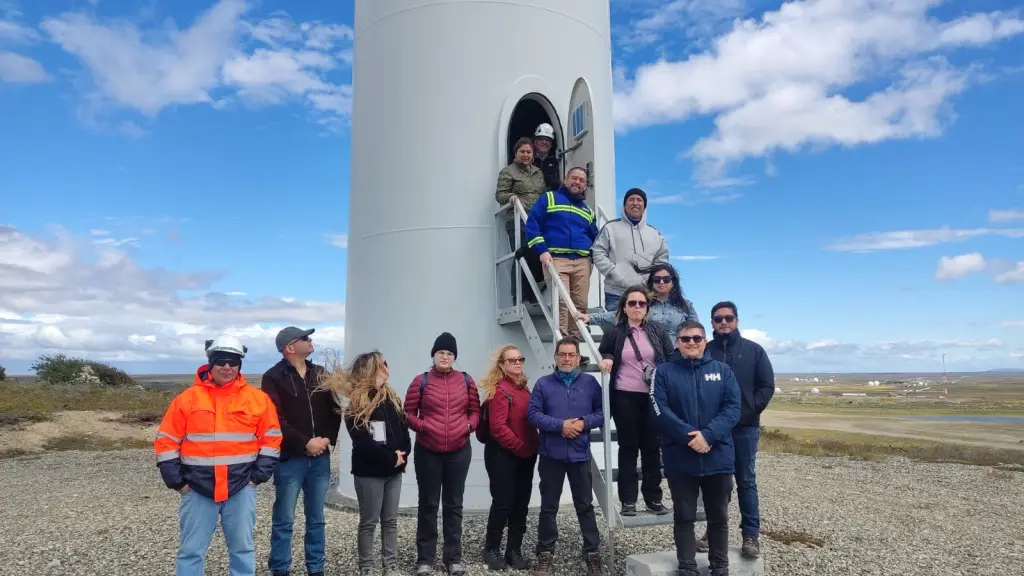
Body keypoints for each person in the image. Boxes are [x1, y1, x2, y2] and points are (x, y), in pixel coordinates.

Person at [154, 335, 282, 576]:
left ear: (239, 366)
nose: (227, 367)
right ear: (211, 364)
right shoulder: (186, 399)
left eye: (233, 362)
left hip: (241, 486)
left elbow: (271, 438)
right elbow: (166, 440)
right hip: (197, 488)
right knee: (191, 551)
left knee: (242, 550)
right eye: (221, 361)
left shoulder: (257, 399)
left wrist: (257, 477)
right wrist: (177, 482)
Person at [650, 321, 741, 576]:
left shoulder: (723, 371)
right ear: (677, 342)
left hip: (717, 457)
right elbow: (659, 409)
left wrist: (708, 436)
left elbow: (733, 408)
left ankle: (720, 567)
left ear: (704, 341)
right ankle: (687, 567)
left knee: (719, 518)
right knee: (684, 517)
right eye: (685, 339)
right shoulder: (663, 372)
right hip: (680, 457)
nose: (691, 343)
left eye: (697, 338)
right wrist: (689, 437)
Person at [696, 301, 776, 559]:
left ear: (737, 320)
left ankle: (750, 536)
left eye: (728, 318)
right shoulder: (705, 351)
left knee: (746, 481)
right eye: (718, 319)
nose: (724, 322)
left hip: (744, 428)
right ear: (712, 323)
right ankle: (713, 532)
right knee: (716, 483)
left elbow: (766, 386)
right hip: (714, 430)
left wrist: (748, 411)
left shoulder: (754, 351)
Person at [322, 350, 411, 576]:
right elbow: (363, 442)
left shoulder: (391, 398)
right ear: (371, 370)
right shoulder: (357, 403)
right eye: (383, 364)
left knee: (390, 520)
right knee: (369, 521)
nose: (387, 368)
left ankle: (390, 565)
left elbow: (403, 430)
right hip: (370, 472)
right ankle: (367, 567)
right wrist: (392, 458)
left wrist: (403, 454)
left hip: (394, 471)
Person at [261, 327, 341, 576]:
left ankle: (316, 568)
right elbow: (275, 419)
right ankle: (280, 568)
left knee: (316, 518)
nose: (310, 340)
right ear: (290, 347)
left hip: (320, 459)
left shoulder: (321, 373)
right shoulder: (273, 377)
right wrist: (305, 442)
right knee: (284, 519)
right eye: (305, 338)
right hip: (290, 460)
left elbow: (335, 409)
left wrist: (326, 439)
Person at [404, 332, 481, 576]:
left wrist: (468, 426)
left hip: (459, 450)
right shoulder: (421, 381)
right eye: (441, 352)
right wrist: (424, 427)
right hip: (428, 451)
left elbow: (475, 411)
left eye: (449, 353)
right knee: (428, 504)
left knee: (454, 505)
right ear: (433, 355)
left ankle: (453, 558)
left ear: (454, 357)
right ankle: (425, 559)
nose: (445, 357)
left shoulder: (466, 380)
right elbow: (408, 413)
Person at [527, 336, 605, 576]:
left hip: (580, 455)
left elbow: (603, 412)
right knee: (549, 506)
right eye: (562, 354)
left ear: (578, 358)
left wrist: (582, 423)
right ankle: (545, 553)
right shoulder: (543, 384)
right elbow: (533, 414)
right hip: (551, 454)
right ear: (556, 358)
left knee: (585, 505)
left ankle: (592, 552)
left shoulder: (590, 383)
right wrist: (560, 426)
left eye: (571, 355)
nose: (567, 359)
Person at [596, 285, 674, 517]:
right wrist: (607, 358)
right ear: (624, 307)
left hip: (653, 396)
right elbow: (606, 351)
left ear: (647, 307)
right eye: (632, 303)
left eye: (641, 303)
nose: (637, 307)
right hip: (625, 396)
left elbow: (669, 357)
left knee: (651, 448)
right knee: (628, 448)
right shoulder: (614, 331)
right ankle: (628, 500)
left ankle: (653, 499)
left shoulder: (657, 330)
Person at [524, 167, 599, 340]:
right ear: (566, 180)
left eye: (582, 180)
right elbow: (532, 226)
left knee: (580, 306)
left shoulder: (588, 211)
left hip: (582, 262)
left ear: (585, 186)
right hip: (556, 259)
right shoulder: (548, 198)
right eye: (574, 178)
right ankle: (564, 346)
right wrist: (542, 251)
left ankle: (574, 348)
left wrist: (592, 256)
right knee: (562, 305)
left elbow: (595, 237)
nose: (577, 182)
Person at [591, 187, 669, 311]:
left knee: (645, 325)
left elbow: (661, 260)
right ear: (624, 205)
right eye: (631, 199)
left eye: (639, 200)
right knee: (617, 324)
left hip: (646, 295)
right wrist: (613, 271)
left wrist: (652, 279)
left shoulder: (655, 234)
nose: (635, 203)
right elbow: (598, 252)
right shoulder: (610, 228)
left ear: (644, 206)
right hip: (616, 294)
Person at [495, 137, 547, 304]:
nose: (525, 155)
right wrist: (511, 197)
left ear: (533, 154)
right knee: (522, 253)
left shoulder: (538, 173)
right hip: (518, 219)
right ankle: (519, 296)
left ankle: (534, 292)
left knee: (538, 253)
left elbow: (543, 195)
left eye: (528, 152)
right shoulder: (508, 172)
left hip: (537, 220)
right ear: (516, 153)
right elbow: (500, 195)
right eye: (522, 151)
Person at [532, 122, 562, 191]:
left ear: (551, 144)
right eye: (541, 139)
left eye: (548, 140)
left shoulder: (556, 161)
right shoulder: (528, 159)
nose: (544, 142)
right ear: (535, 142)